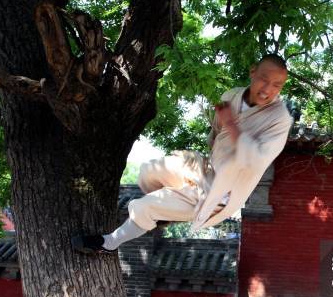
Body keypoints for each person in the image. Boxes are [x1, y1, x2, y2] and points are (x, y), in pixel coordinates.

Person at [72, 54, 293, 254]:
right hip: (205, 167)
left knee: (147, 204)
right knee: (149, 172)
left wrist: (233, 127)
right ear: (252, 72)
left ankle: (109, 243)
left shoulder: (280, 120)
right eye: (264, 79)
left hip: (223, 189)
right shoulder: (231, 96)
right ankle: (166, 213)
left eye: (277, 85)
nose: (268, 89)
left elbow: (257, 160)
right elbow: (216, 133)